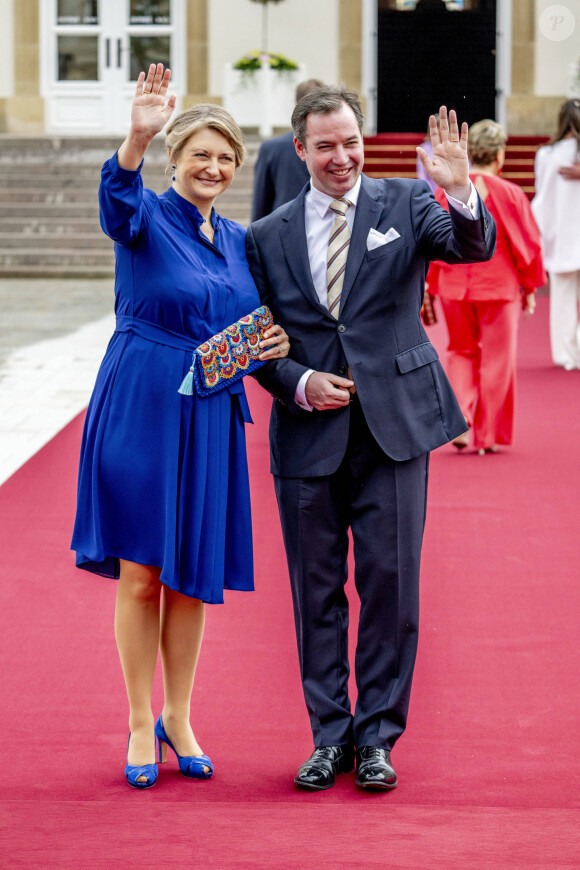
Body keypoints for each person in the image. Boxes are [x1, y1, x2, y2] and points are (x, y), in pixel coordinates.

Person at [246, 87, 496, 791]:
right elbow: (260, 341)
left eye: (350, 142)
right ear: (300, 151)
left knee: (390, 586)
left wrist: (460, 189)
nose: (340, 157)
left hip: (396, 425)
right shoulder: (266, 235)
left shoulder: (407, 205)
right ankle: (329, 737)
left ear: (364, 142)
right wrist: (297, 382)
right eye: (324, 145)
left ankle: (378, 736)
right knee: (315, 590)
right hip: (307, 429)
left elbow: (471, 248)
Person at [71, 63, 289, 790]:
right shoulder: (143, 216)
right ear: (176, 157)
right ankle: (139, 719)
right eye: (201, 153)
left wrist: (272, 342)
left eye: (226, 157)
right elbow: (115, 201)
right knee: (141, 576)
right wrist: (134, 137)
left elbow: (249, 324)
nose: (214, 167)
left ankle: (180, 715)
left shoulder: (236, 240)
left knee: (190, 581)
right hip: (141, 402)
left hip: (208, 415)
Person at [427, 119, 547, 454]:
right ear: (499, 155)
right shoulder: (510, 192)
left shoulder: (445, 190)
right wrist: (530, 287)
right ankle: (487, 434)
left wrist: (431, 283)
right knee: (498, 358)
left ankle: (460, 419)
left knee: (460, 351)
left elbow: (434, 238)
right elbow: (528, 245)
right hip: (499, 285)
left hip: (455, 284)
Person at [532, 98, 580, 370]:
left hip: (562, 232)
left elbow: (542, 197)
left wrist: (542, 231)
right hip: (568, 229)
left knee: (562, 299)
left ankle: (566, 354)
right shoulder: (551, 154)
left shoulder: (548, 154)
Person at [251, 78, 325, 221]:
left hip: (281, 226)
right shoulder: (271, 148)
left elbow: (261, 204)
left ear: (296, 106)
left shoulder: (271, 148)